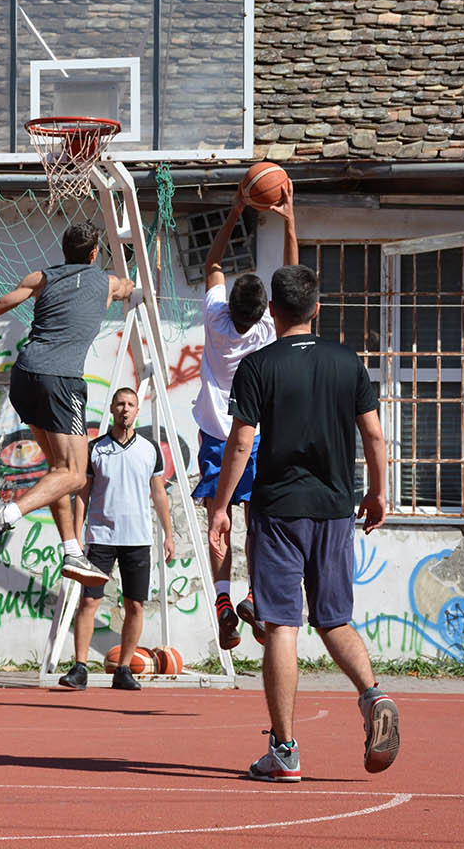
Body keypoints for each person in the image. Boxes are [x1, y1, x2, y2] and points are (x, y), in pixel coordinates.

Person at [207, 264, 400, 783]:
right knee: (334, 619)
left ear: (273, 311)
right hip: (336, 509)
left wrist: (222, 506)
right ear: (317, 308)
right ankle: (373, 696)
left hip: (279, 511)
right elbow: (375, 437)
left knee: (282, 624)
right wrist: (377, 492)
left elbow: (242, 442)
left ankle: (285, 750)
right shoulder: (347, 362)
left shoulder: (258, 365)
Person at [0, 221, 135, 587]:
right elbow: (127, 286)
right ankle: (6, 513)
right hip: (61, 381)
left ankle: (71, 552)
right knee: (73, 474)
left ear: (64, 250)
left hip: (24, 377)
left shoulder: (40, 277)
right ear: (93, 254)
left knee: (58, 470)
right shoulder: (105, 282)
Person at [191, 180, 297, 650]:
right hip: (256, 436)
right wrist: (289, 219)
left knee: (220, 519)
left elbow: (213, 263)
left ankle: (221, 601)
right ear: (263, 313)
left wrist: (235, 211)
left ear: (230, 304)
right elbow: (293, 273)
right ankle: (255, 594)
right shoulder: (266, 331)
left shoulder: (215, 319)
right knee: (256, 519)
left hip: (215, 433)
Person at [57, 387, 175, 691]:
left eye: (131, 404)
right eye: (120, 404)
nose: (125, 409)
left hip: (137, 539)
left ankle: (123, 669)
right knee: (89, 602)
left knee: (135, 606)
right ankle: (80, 667)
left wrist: (169, 534)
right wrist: (77, 535)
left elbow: (159, 493)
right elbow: (82, 494)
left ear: (137, 410)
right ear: (112, 408)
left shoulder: (150, 449)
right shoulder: (95, 449)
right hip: (101, 537)